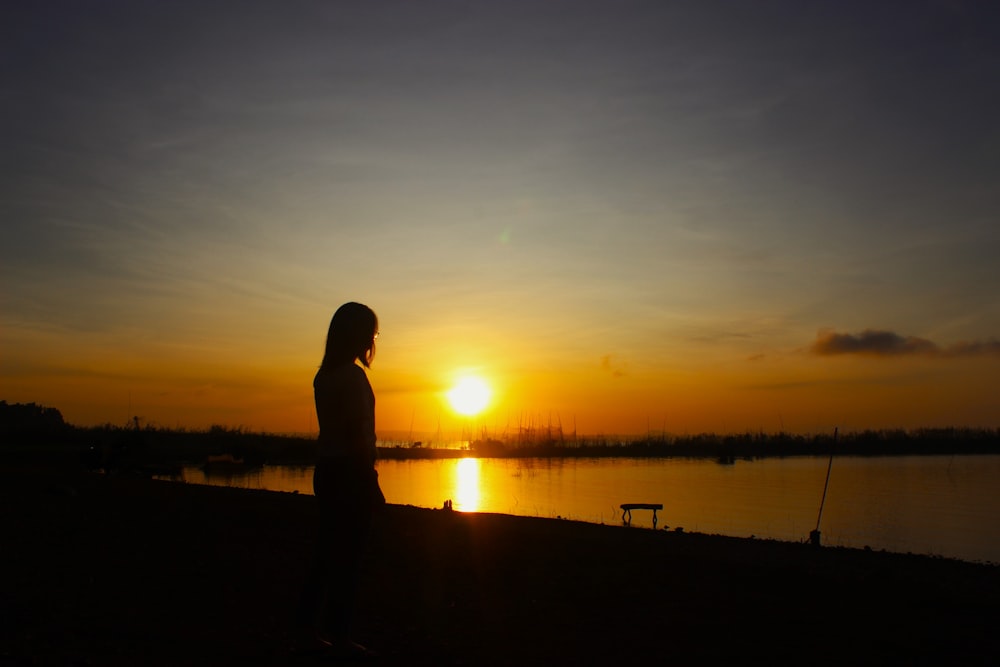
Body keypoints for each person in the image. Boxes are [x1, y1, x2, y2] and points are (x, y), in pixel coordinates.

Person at [297, 302, 385, 658]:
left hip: (328, 470)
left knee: (326, 553)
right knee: (348, 558)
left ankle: (308, 628)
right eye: (372, 333)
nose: (373, 340)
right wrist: (370, 479)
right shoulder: (351, 377)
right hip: (350, 472)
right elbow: (356, 434)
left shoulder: (324, 376)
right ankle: (339, 636)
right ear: (358, 335)